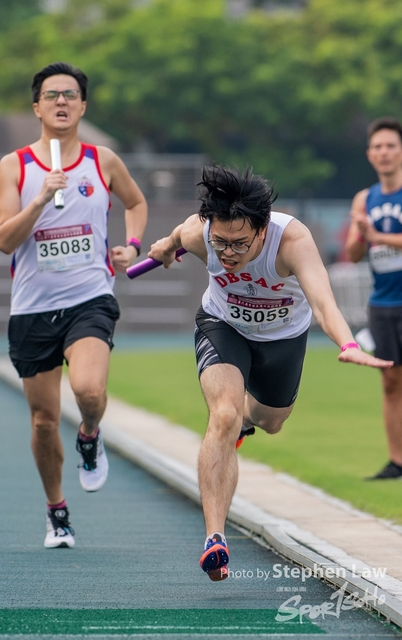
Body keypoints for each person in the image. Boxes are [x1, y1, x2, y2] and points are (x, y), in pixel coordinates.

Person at [148, 165, 392, 582]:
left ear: (262, 231)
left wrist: (348, 345)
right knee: (223, 414)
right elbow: (177, 236)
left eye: (239, 244)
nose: (227, 254)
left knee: (270, 421)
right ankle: (214, 538)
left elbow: (323, 304)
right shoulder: (200, 234)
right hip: (223, 325)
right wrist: (166, 247)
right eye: (220, 242)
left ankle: (246, 421)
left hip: (283, 337)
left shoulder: (293, 241)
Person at [0, 62, 147, 548]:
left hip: (90, 298)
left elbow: (136, 202)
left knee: (88, 390)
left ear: (83, 106)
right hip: (33, 309)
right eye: (51, 94)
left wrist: (133, 245)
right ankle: (57, 511)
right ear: (36, 107)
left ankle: (89, 433)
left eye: (70, 94)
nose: (61, 101)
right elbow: (4, 240)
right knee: (43, 420)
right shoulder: (15, 166)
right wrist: (40, 199)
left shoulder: (102, 160)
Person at [346, 116, 402, 480]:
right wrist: (361, 233)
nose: (384, 153)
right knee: (390, 382)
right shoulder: (365, 199)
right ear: (369, 155)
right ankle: (397, 461)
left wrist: (379, 236)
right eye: (378, 147)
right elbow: (353, 255)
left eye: (391, 146)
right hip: (383, 304)